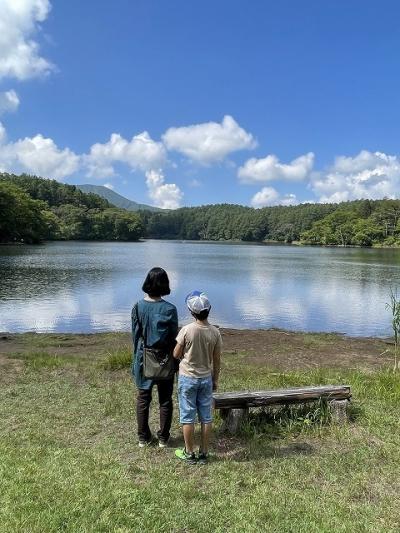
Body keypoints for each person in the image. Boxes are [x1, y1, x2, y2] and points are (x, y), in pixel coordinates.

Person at [173, 290, 222, 464]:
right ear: (209, 310)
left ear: (191, 312)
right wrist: (215, 379)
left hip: (187, 378)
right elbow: (216, 360)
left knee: (187, 416)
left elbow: (176, 353)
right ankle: (204, 452)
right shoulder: (215, 332)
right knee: (206, 417)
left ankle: (189, 452)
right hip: (206, 378)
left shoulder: (186, 330)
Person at [131, 267, 178, 448]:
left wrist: (136, 361)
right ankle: (163, 438)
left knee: (143, 398)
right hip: (165, 359)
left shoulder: (137, 307)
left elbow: (135, 338)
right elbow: (174, 338)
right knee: (165, 400)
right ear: (165, 284)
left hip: (143, 358)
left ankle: (143, 437)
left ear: (147, 283)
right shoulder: (170, 309)